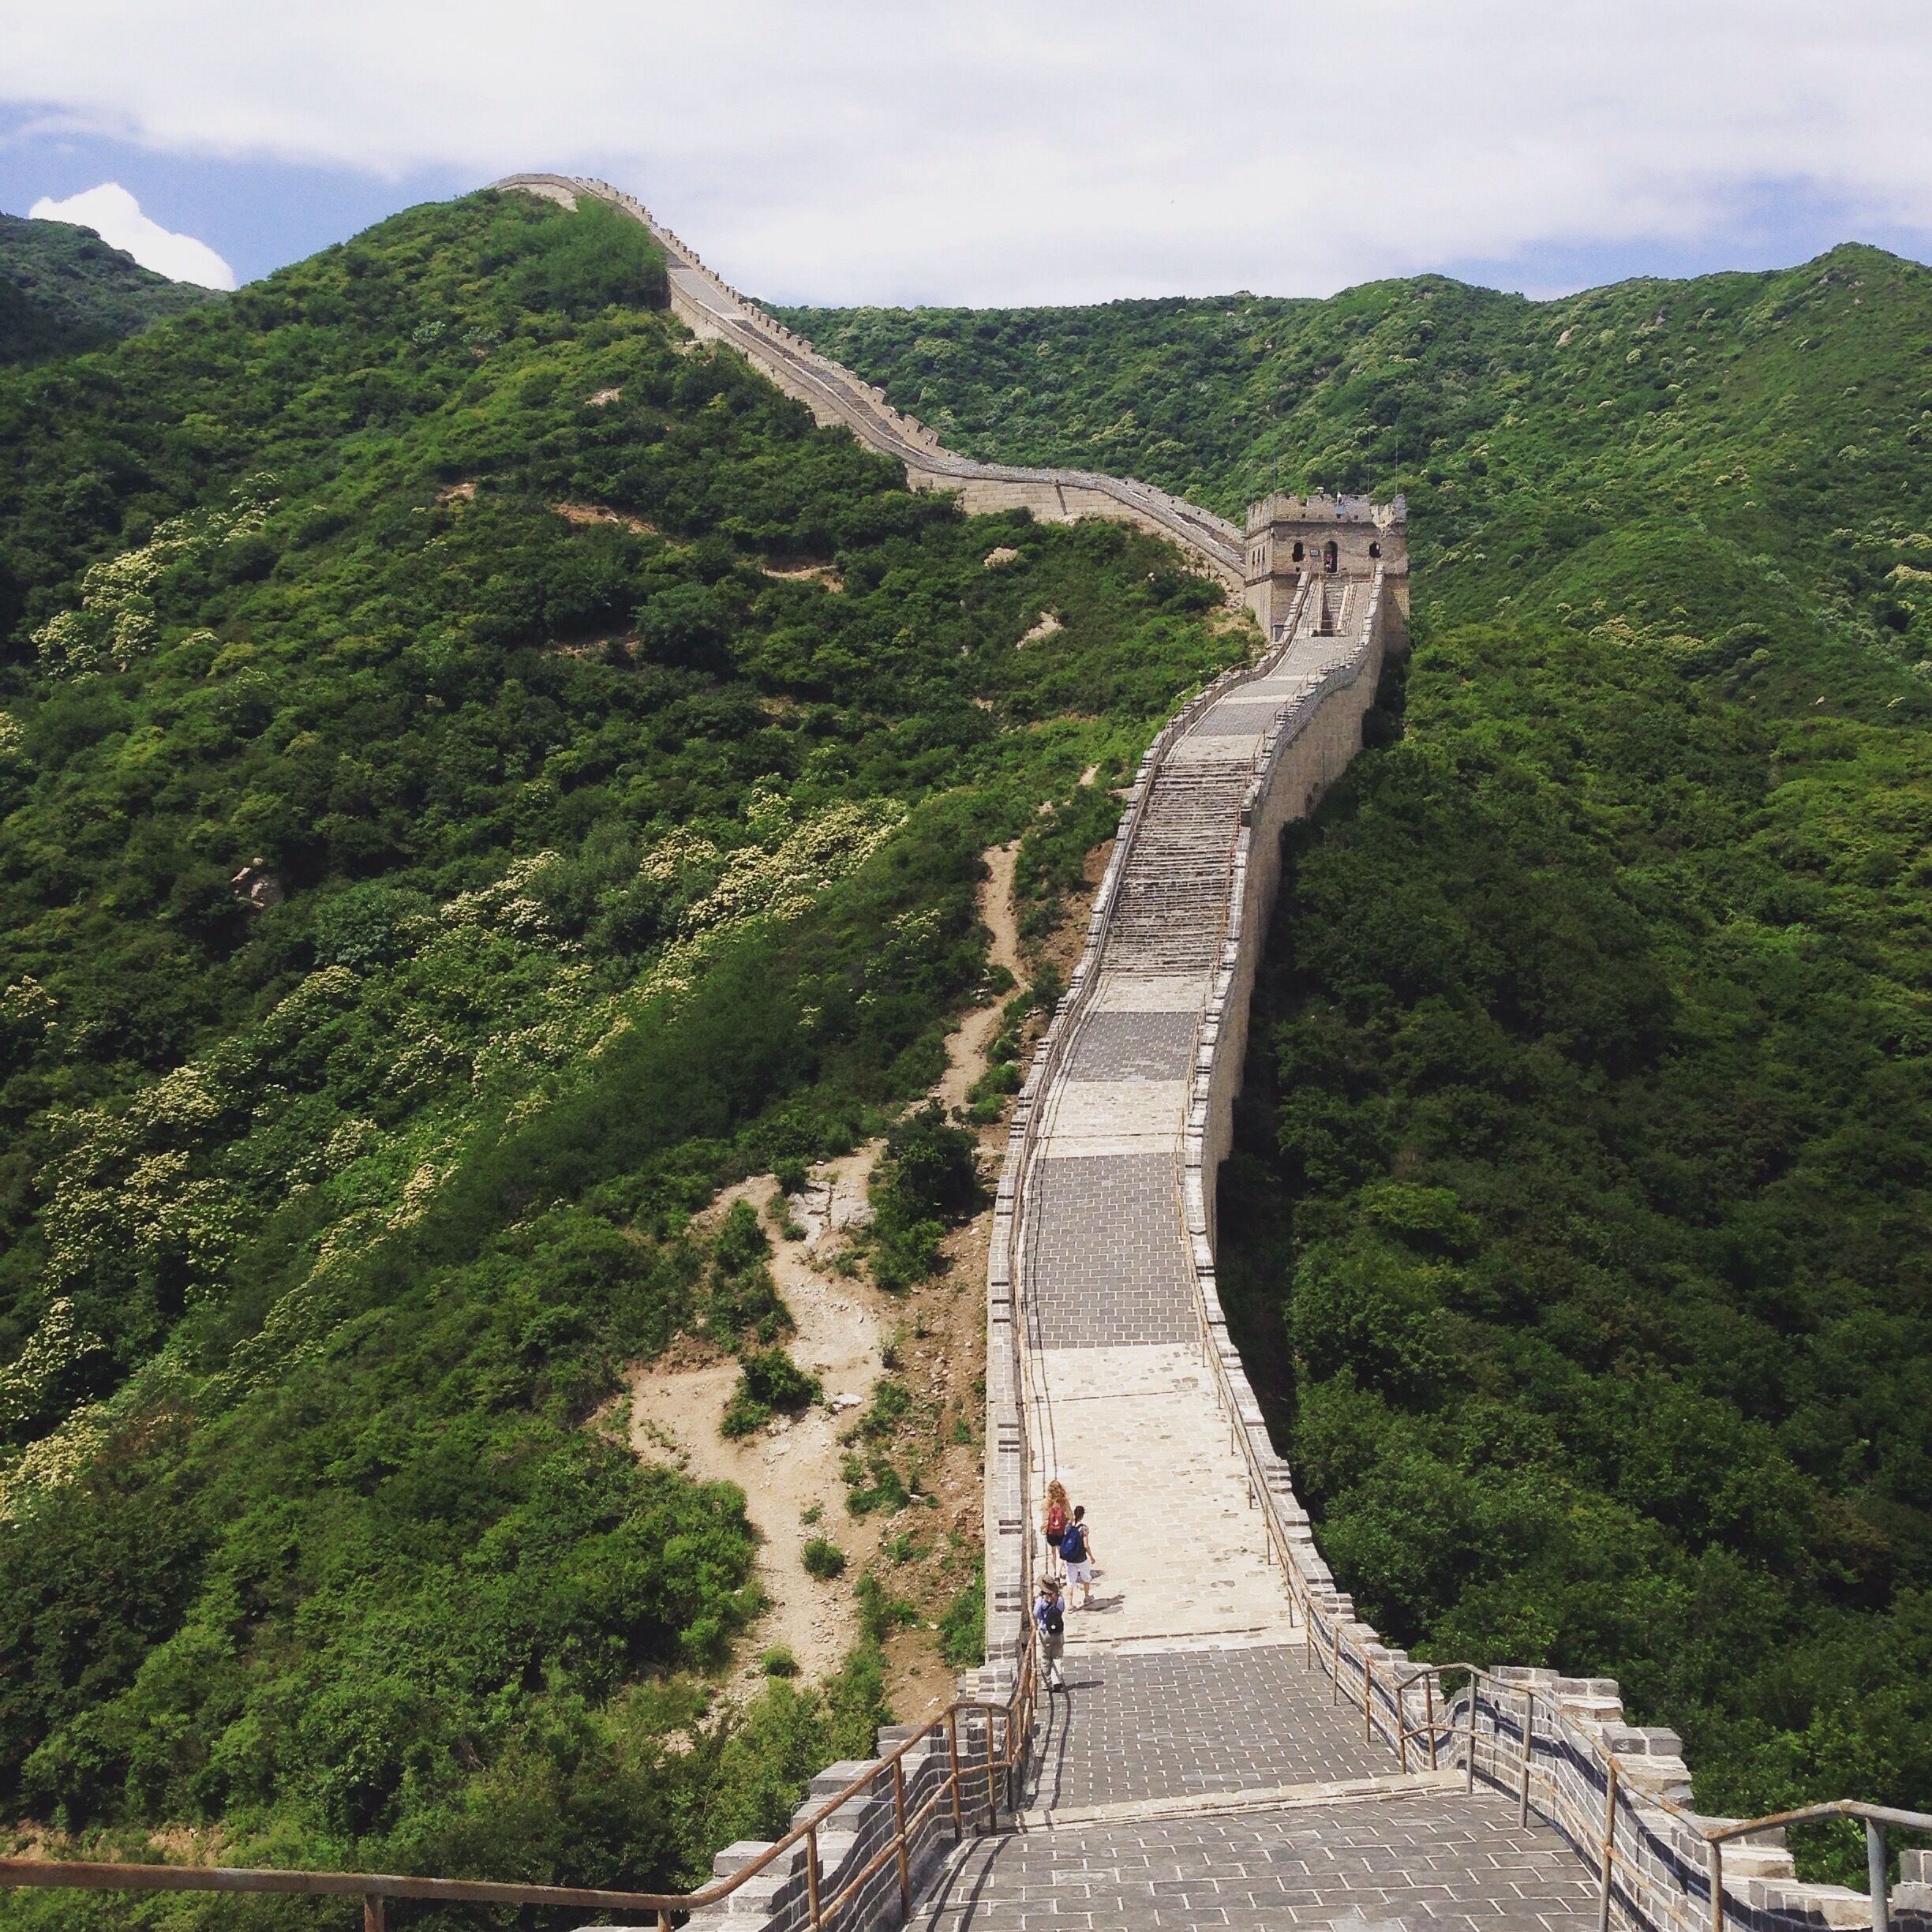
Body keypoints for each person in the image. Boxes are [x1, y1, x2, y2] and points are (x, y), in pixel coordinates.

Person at [1059, 1505, 1095, 1608]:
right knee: (1086, 1577)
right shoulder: (1083, 1528)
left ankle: (1070, 1604)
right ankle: (1087, 1597)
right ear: (1082, 1515)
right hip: (1081, 1558)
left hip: (1070, 1558)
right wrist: (1091, 1557)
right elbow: (1086, 1545)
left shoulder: (1068, 1526)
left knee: (1070, 1580)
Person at [1033, 1576, 1065, 1690]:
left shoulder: (1041, 1600)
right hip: (1058, 1631)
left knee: (1046, 1657)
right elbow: (1061, 1610)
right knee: (1057, 1656)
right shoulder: (1060, 1599)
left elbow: (1036, 1613)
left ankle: (1047, 1683)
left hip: (1045, 1631)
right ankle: (1057, 1680)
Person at [1042, 1480, 1069, 1578]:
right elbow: (1069, 1515)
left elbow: (1045, 1519)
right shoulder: (1063, 1501)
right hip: (1061, 1531)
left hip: (1051, 1532)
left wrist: (1044, 1530)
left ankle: (1056, 1571)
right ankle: (1058, 1574)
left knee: (1053, 1552)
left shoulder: (1046, 1502)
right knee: (1060, 1553)